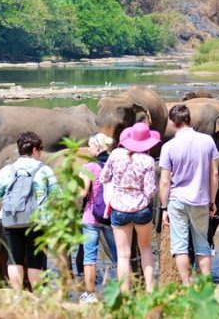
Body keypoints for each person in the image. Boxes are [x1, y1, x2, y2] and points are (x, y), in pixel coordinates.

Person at [0, 131, 58, 294]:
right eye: (40, 149)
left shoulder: (8, 169)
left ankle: (17, 295)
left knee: (14, 259)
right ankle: (37, 295)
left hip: (12, 219)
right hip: (37, 220)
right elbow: (57, 194)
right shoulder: (44, 170)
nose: (40, 152)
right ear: (35, 149)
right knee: (36, 261)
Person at [159, 104, 219, 285]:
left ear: (172, 123)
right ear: (189, 120)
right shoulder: (208, 141)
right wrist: (212, 201)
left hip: (177, 201)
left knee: (179, 246)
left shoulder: (168, 147)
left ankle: (186, 285)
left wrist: (163, 207)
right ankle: (206, 283)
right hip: (201, 200)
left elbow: (164, 181)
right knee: (203, 245)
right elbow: (214, 174)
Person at [100, 122, 159, 292]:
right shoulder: (148, 161)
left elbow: (104, 178)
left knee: (123, 255)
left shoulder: (116, 155)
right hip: (142, 210)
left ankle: (125, 296)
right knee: (146, 249)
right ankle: (149, 291)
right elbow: (150, 191)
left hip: (119, 209)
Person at [78, 133, 117, 304]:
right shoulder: (114, 164)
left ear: (98, 147)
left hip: (91, 217)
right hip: (110, 216)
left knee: (89, 257)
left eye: (90, 146)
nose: (88, 149)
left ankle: (90, 294)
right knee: (119, 256)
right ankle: (122, 291)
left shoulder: (89, 167)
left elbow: (83, 192)